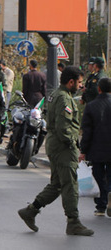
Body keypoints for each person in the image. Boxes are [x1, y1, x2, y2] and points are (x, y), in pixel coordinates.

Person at [18, 66, 94, 236]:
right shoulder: (64, 98)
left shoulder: (55, 95)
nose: (81, 86)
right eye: (79, 83)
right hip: (63, 147)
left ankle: (31, 211)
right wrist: (73, 144)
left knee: (57, 184)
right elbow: (63, 128)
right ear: (71, 82)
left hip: (55, 145)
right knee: (70, 185)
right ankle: (73, 222)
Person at [79, 77, 111, 217]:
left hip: (96, 149)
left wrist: (83, 150)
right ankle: (110, 193)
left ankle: (101, 205)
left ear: (99, 89)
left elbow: (87, 131)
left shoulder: (91, 106)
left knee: (98, 176)